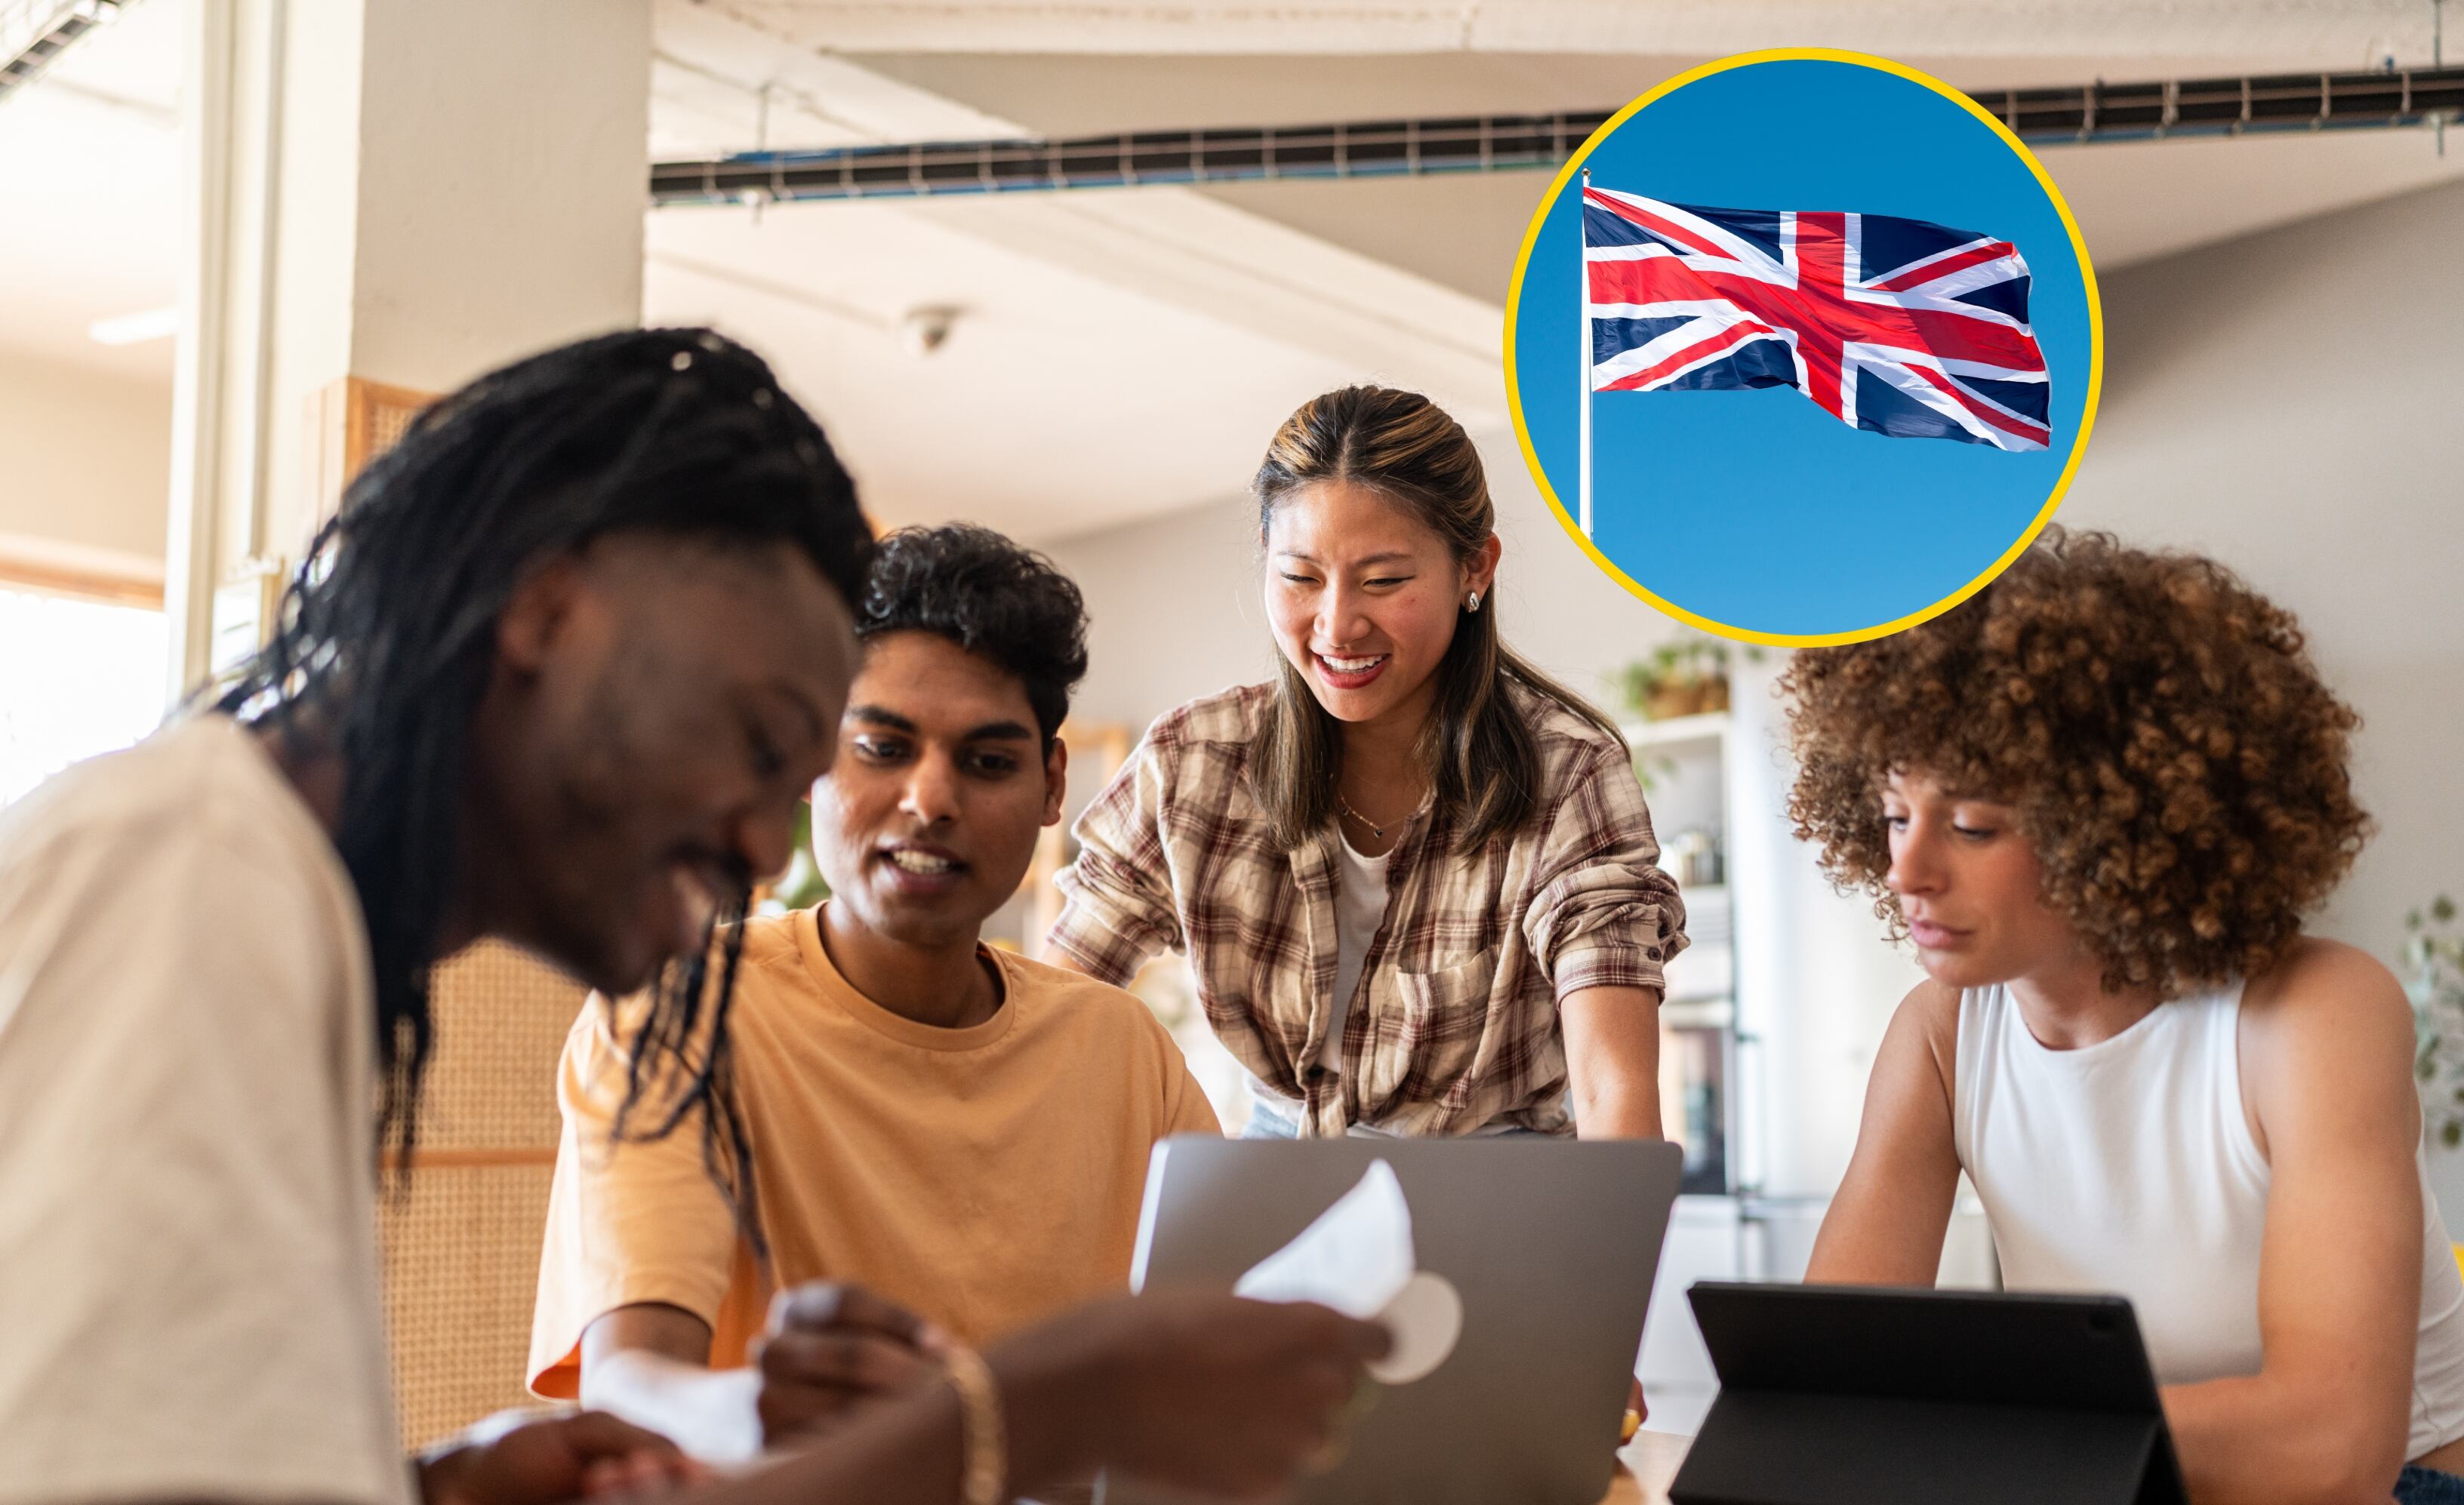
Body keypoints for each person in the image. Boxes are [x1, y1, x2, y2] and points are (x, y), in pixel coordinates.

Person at [0, 328, 1384, 1505]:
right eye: (764, 737)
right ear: (547, 608)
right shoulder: (195, 867)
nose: (755, 833)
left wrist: (422, 1479)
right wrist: (1042, 1405)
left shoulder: (273, 911)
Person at [1788, 529, 2464, 1505]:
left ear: (2118, 825)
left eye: (1973, 824)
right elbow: (1823, 1379)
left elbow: (2330, 1443)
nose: (1908, 869)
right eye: (1896, 814)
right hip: (2106, 1479)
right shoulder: (1939, 1032)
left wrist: (1963, 1428)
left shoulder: (2313, 1011)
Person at [530, 524, 1224, 1460]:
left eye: (988, 761)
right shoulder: (680, 1012)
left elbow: (1221, 1364)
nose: (930, 798)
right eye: (884, 747)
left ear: (1053, 784)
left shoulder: (1125, 1050)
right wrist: (862, 1430)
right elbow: (631, 1390)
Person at [1047, 385, 1684, 1140]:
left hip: (1496, 1193)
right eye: (1301, 577)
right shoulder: (1194, 762)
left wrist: (1608, 1245)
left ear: (1475, 568)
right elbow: (1052, 1019)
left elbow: (1614, 1091)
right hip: (1276, 1179)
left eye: (1384, 580)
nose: (1339, 624)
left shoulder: (1567, 773)